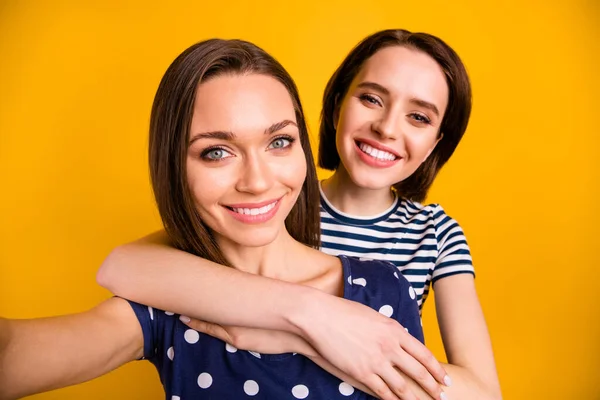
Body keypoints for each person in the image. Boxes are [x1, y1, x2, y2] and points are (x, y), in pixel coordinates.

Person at [0, 38, 431, 400]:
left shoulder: (383, 289)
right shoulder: (170, 307)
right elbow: (13, 353)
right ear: (174, 167)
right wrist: (310, 316)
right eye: (216, 152)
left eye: (279, 141)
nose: (258, 181)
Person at [97, 29, 502, 400]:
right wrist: (307, 314)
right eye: (372, 99)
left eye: (419, 117)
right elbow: (124, 266)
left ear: (435, 143)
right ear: (336, 103)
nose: (387, 128)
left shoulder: (436, 233)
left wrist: (306, 340)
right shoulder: (271, 205)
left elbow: (483, 393)